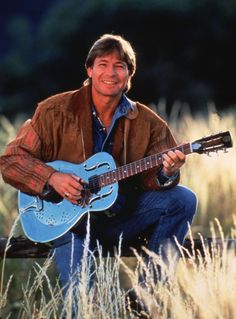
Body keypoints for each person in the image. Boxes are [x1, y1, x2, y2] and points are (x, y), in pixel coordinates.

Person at [0, 34, 197, 290]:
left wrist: (166, 173)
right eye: (103, 64)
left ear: (129, 74)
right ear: (90, 70)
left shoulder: (149, 123)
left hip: (120, 218)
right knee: (83, 298)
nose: (111, 72)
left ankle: (149, 296)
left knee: (183, 199)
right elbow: (11, 161)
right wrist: (51, 178)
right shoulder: (54, 110)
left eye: (120, 66)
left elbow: (152, 179)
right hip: (66, 221)